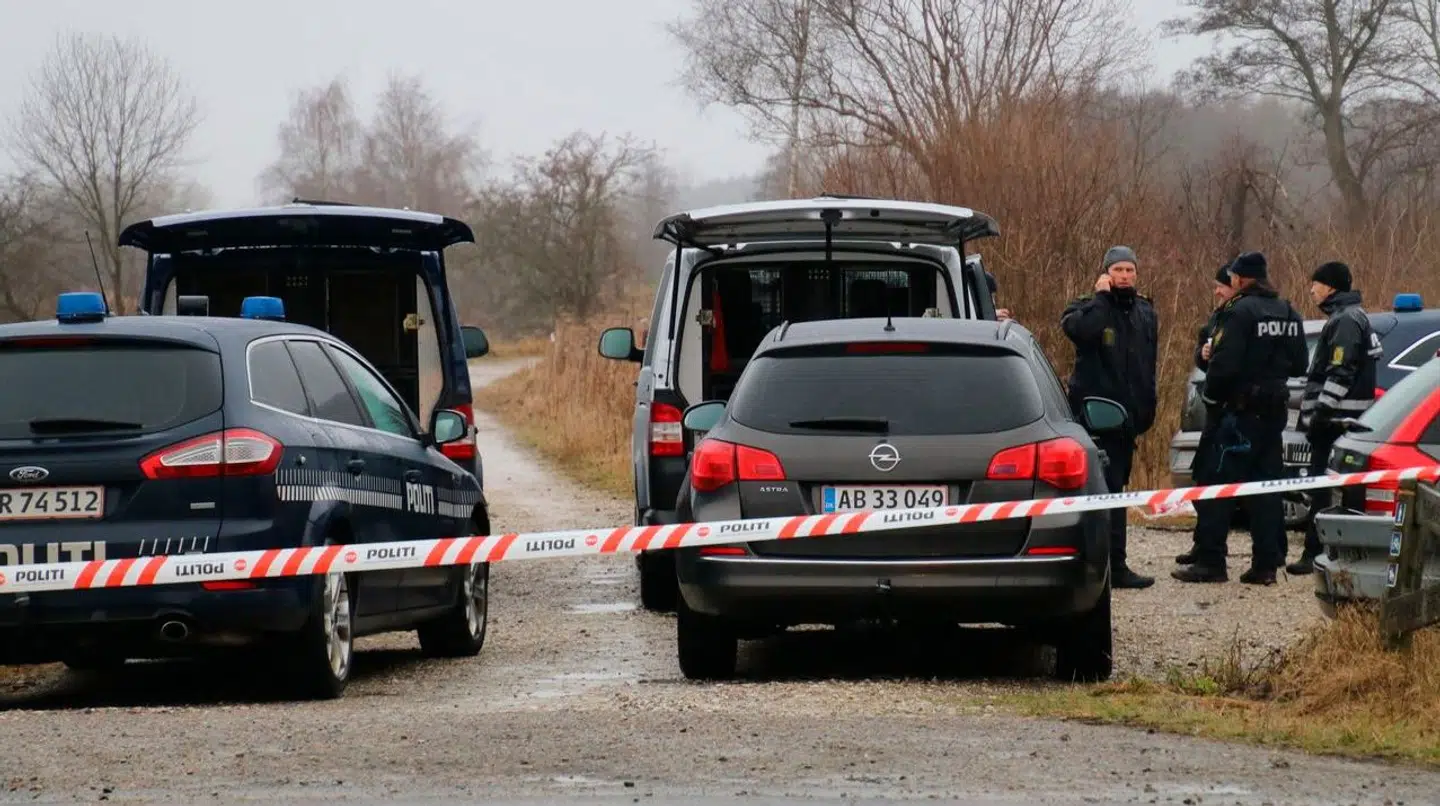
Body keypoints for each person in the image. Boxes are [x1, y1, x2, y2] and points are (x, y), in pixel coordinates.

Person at [1172, 252, 1308, 585]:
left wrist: (1213, 398)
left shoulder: (1239, 312)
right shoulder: (1288, 312)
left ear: (1239, 279)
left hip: (1240, 414)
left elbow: (1224, 365)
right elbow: (1300, 364)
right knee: (1266, 491)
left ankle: (1211, 561)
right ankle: (1265, 565)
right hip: (1274, 414)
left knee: (1217, 487)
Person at [1060, 245, 1159, 589]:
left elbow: (1149, 364)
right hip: (1096, 419)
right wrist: (1102, 299)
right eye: (1118, 270)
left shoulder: (1145, 311)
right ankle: (1102, 564)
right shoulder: (1086, 308)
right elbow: (1081, 331)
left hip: (1129, 420)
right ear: (1106, 273)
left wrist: (1147, 409)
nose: (1125, 276)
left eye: (1130, 270)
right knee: (1101, 492)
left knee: (1117, 492)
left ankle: (1115, 563)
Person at [1287, 261, 1382, 575]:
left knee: (1323, 489)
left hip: (1336, 422)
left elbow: (1340, 373)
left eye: (1315, 284)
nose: (1311, 290)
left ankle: (1316, 553)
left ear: (1330, 287)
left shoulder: (1345, 320)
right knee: (1342, 490)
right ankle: (1337, 553)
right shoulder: (1352, 316)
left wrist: (1321, 414)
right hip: (1344, 422)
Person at [1175, 262, 1238, 566]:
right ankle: (1202, 544)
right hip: (1212, 412)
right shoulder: (1217, 318)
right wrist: (1202, 354)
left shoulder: (1239, 318)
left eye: (1221, 286)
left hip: (1230, 413)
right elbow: (1203, 352)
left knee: (1217, 483)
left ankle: (1214, 553)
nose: (1216, 292)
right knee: (1201, 477)